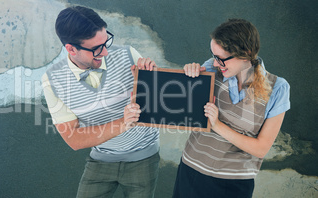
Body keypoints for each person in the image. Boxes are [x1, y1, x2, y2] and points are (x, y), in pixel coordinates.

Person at [41, 6, 160, 198]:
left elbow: (159, 107)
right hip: (101, 159)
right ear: (71, 49)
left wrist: (152, 82)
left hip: (143, 156)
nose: (105, 52)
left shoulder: (128, 55)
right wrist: (123, 123)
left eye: (106, 42)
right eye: (96, 49)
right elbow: (74, 139)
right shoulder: (52, 80)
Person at [173, 19, 290, 198]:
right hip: (191, 172)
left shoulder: (278, 89)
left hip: (233, 185)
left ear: (246, 54)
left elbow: (261, 149)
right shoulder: (212, 68)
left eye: (221, 59)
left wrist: (217, 124)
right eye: (214, 56)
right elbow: (182, 110)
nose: (216, 63)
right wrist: (188, 77)